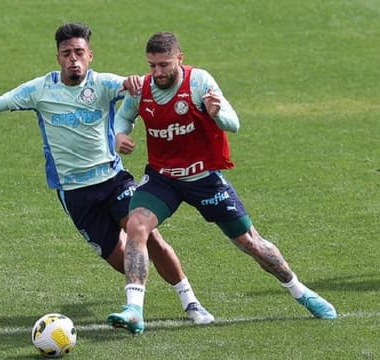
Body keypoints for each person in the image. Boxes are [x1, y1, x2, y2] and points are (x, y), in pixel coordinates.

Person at [0, 23, 214, 325]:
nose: (73, 59)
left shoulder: (105, 84)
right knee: (123, 260)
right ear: (58, 58)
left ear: (90, 55)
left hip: (112, 180)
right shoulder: (40, 90)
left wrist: (141, 85)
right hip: (74, 193)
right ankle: (139, 296)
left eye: (79, 52)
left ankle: (190, 303)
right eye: (66, 53)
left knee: (147, 237)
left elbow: (148, 88)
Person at [107, 31, 337, 334]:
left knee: (250, 243)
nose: (157, 73)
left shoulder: (199, 82)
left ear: (180, 58)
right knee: (136, 226)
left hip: (204, 179)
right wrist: (120, 135)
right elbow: (123, 118)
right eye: (152, 66)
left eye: (163, 65)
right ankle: (134, 309)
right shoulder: (142, 89)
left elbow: (234, 122)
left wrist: (216, 115)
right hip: (163, 179)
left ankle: (300, 291)